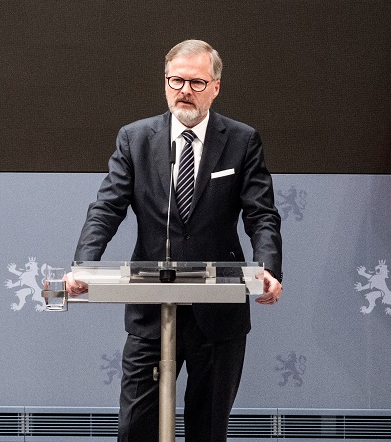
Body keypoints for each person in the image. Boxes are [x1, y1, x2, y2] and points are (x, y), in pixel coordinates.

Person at [68, 40, 282, 442]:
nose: (185, 90)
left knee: (207, 431)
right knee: (135, 428)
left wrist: (267, 267)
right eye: (176, 81)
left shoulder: (241, 140)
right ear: (165, 82)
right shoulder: (135, 138)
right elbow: (107, 207)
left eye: (196, 82)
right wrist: (84, 264)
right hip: (151, 308)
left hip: (217, 312)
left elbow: (261, 214)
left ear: (215, 86)